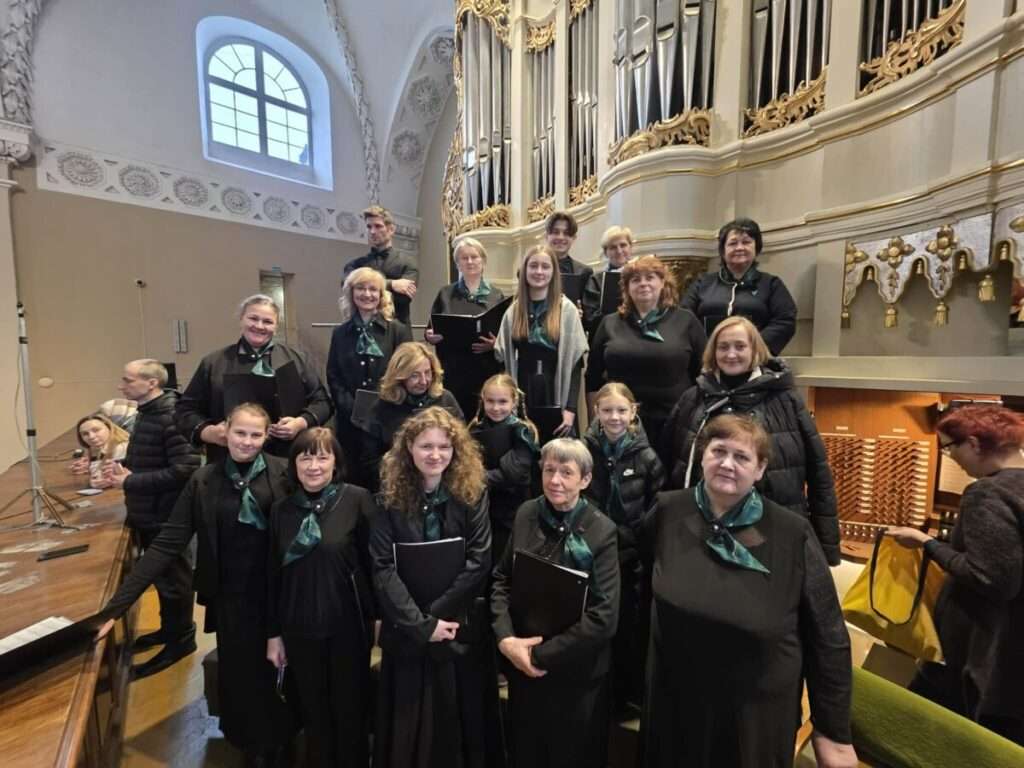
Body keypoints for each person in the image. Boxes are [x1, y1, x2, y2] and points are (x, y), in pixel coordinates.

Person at [641, 414, 856, 768]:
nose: (727, 464)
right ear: (702, 456)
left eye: (741, 457)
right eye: (718, 451)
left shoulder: (792, 534)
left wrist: (833, 731)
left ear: (760, 469)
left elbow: (829, 637)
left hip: (755, 717)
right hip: (674, 703)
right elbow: (642, 585)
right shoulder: (668, 510)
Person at [96, 403, 295, 766]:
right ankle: (249, 744)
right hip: (232, 597)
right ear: (225, 432)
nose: (247, 441)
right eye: (240, 432)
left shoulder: (284, 473)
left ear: (266, 436)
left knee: (280, 670)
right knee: (239, 673)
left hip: (280, 593)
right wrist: (115, 607)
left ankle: (281, 741)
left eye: (256, 435)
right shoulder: (203, 480)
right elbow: (168, 542)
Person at [370, 407, 503, 768]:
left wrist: (436, 617)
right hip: (407, 629)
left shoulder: (473, 492)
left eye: (444, 446)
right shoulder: (387, 497)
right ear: (409, 448)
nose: (435, 455)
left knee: (458, 725)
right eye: (426, 446)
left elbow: (479, 561)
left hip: (457, 624)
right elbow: (382, 568)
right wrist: (421, 624)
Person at [886, 405, 1024, 745]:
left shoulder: (987, 493)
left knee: (920, 734)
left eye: (948, 448)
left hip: (978, 650)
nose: (951, 458)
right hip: (1010, 656)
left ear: (974, 444)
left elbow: (990, 578)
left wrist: (927, 543)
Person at [662, 316, 840, 565]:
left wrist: (826, 546)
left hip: (769, 530)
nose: (731, 354)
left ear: (755, 349)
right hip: (699, 527)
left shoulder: (786, 400)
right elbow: (669, 463)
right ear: (713, 352)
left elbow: (818, 471)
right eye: (723, 347)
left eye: (740, 346)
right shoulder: (693, 399)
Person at [491, 437, 620, 768]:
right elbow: (502, 579)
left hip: (575, 673)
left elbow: (603, 618)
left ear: (585, 480)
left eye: (566, 472)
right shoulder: (527, 513)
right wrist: (506, 639)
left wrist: (537, 655)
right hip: (522, 663)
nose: (555, 480)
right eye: (549, 470)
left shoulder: (602, 530)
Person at [266, 427, 376, 768]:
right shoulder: (281, 510)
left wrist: (379, 619)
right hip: (299, 627)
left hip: (347, 625)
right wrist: (274, 634)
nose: (314, 466)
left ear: (335, 463)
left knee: (350, 709)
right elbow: (272, 576)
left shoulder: (357, 499)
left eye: (322, 457)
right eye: (305, 458)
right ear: (294, 465)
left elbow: (376, 565)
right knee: (314, 711)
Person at [103, 359, 201, 678]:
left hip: (166, 514)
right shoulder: (148, 413)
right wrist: (123, 471)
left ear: (151, 383)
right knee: (164, 582)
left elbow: (185, 469)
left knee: (175, 583)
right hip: (149, 510)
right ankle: (169, 631)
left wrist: (131, 481)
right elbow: (151, 460)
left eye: (128, 380)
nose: (121, 386)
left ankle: (181, 642)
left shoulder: (171, 416)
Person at [582, 382, 664, 713]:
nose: (614, 417)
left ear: (633, 412)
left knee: (629, 625)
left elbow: (656, 505)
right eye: (607, 410)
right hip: (594, 553)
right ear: (596, 412)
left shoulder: (647, 457)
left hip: (632, 558)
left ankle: (627, 694)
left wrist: (635, 539)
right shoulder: (586, 451)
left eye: (621, 410)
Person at [176, 294, 333, 464]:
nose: (259, 326)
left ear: (276, 326)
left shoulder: (297, 359)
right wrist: (210, 433)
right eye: (253, 318)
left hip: (285, 459)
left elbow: (323, 401)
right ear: (241, 319)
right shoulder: (214, 363)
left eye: (268, 321)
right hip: (226, 460)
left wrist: (301, 422)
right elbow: (185, 410)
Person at [586, 254, 706, 456]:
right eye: (635, 279)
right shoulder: (609, 323)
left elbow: (703, 373)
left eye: (650, 277)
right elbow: (593, 378)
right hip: (619, 424)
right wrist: (596, 419)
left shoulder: (686, 320)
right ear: (627, 287)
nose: (643, 283)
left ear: (663, 282)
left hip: (674, 423)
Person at [326, 266, 412, 480]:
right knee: (352, 476)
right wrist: (352, 408)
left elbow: (406, 372)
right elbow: (333, 375)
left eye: (373, 289)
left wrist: (384, 405)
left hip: (387, 419)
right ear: (351, 292)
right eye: (361, 288)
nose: (367, 294)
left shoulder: (398, 331)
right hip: (350, 423)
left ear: (382, 295)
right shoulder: (340, 333)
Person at [495, 245, 588, 441]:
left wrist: (570, 409)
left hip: (557, 391)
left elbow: (575, 365)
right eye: (533, 266)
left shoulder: (567, 310)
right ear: (525, 270)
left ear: (554, 272)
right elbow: (504, 362)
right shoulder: (513, 311)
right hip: (524, 392)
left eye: (545, 266)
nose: (539, 271)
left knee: (558, 450)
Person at [680, 217, 797, 355]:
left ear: (756, 248)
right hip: (706, 358)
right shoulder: (702, 283)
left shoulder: (771, 284)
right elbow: (684, 318)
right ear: (723, 250)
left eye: (746, 242)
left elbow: (785, 321)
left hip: (755, 358)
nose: (740, 247)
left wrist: (751, 347)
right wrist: (707, 350)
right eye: (733, 243)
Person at [359, 341, 464, 490]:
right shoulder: (381, 408)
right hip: (399, 485)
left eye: (427, 373)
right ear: (399, 376)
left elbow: (462, 445)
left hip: (444, 483)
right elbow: (370, 461)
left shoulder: (446, 399)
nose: (423, 381)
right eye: (414, 375)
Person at [424, 237, 506, 417]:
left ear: (483, 261)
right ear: (457, 264)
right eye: (464, 258)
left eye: (474, 257)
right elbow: (430, 328)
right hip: (453, 369)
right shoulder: (445, 294)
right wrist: (430, 336)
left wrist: (495, 344)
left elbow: (504, 333)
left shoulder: (496, 295)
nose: (470, 261)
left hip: (485, 368)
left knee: (484, 417)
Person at [468, 373, 539, 563]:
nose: (496, 408)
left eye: (502, 401)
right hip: (484, 506)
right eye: (490, 401)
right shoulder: (474, 430)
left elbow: (515, 473)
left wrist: (477, 478)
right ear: (483, 400)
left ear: (514, 401)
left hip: (514, 507)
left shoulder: (523, 431)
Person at [343, 205, 419, 326]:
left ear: (391, 229)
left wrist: (364, 286)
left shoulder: (408, 263)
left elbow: (404, 298)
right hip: (362, 328)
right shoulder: (355, 265)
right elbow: (347, 287)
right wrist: (392, 284)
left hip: (397, 329)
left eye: (378, 226)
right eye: (369, 227)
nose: (372, 231)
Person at [581, 225, 633, 337]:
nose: (619, 251)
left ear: (630, 247)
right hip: (606, 337)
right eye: (613, 247)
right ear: (606, 253)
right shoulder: (595, 280)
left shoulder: (641, 278)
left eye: (623, 245)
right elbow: (590, 319)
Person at [70, 413, 130, 488]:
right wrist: (88, 467)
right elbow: (96, 473)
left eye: (96, 430)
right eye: (85, 434)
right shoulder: (98, 448)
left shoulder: (121, 447)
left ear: (109, 428)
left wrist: (97, 480)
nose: (91, 436)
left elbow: (102, 478)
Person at [545, 210, 593, 281]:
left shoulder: (585, 272)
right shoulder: (534, 269)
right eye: (555, 232)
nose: (561, 237)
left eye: (566, 233)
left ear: (574, 238)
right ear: (546, 236)